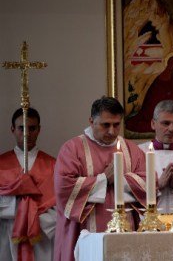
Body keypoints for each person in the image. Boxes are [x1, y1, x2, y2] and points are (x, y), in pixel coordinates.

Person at [54, 96, 152, 261]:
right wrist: (103, 179)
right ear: (91, 121)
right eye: (105, 125)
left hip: (125, 232)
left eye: (116, 125)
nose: (112, 131)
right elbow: (64, 188)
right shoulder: (72, 149)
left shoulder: (131, 149)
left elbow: (149, 184)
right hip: (83, 230)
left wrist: (122, 179)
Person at [0, 108, 56, 261]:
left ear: (39, 130)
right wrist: (19, 209)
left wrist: (34, 220)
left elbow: (60, 204)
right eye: (21, 128)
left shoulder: (53, 165)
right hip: (7, 233)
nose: (26, 134)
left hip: (40, 234)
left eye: (32, 128)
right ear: (13, 129)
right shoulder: (1, 164)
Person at [126, 53, 173, 133]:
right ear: (172, 64)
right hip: (155, 106)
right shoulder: (165, 76)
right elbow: (161, 93)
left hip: (167, 102)